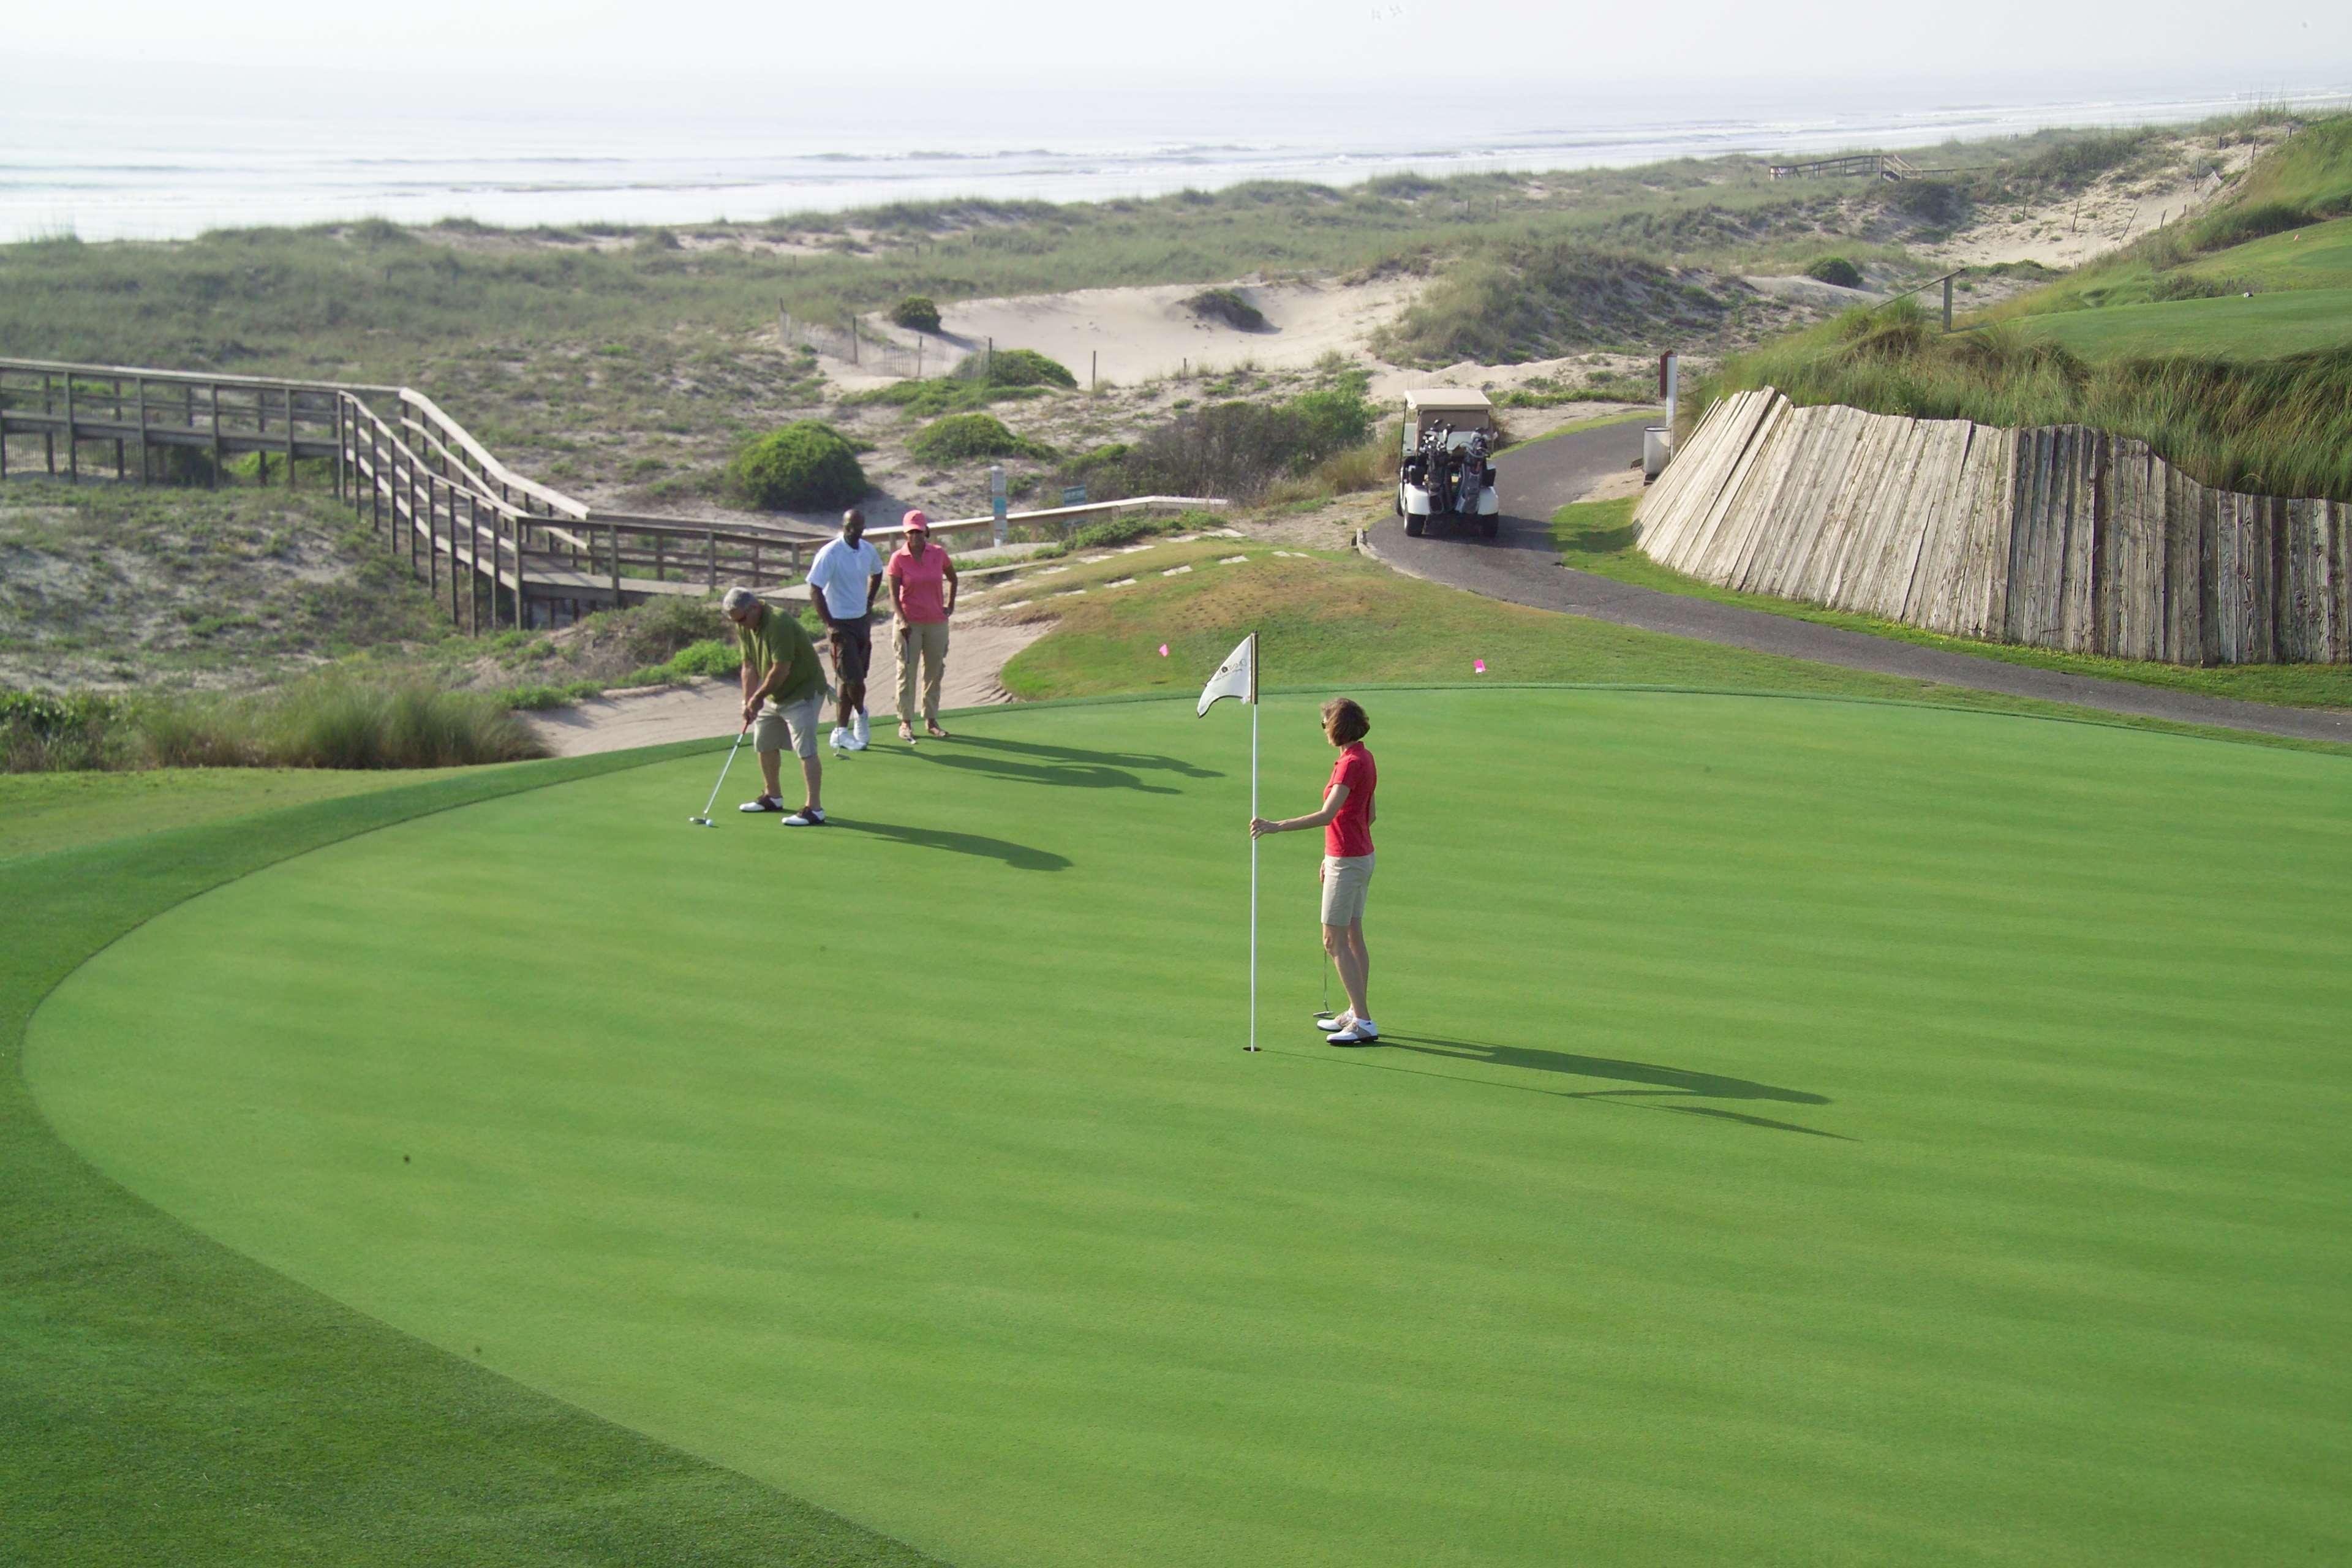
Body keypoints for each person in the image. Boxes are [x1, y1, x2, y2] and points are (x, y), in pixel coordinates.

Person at [1251, 698, 1378, 1044]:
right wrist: (1332, 854)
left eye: (1325, 723)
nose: (1323, 729)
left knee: (1332, 940)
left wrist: (1277, 826)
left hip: (1348, 861)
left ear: (1337, 727)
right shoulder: (1363, 758)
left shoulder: (1349, 764)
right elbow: (1370, 815)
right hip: (1359, 856)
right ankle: (1356, 1010)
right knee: (1353, 936)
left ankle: (1364, 1021)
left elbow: (1327, 815)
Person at [722, 586, 828, 827]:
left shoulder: (778, 622)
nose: (740, 625)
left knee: (806, 749)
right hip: (774, 695)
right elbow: (749, 665)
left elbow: (781, 669)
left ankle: (815, 809)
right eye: (735, 621)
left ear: (755, 608)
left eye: (741, 619)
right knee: (765, 741)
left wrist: (758, 697)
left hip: (803, 691)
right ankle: (773, 796)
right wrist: (747, 700)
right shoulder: (745, 626)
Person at [805, 507, 884, 752]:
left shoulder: (867, 550)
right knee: (854, 679)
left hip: (861, 621)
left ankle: (840, 731)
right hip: (840, 624)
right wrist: (830, 624)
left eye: (860, 528)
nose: (856, 533)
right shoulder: (830, 553)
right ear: (844, 527)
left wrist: (869, 601)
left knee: (849, 678)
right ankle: (861, 714)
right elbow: (815, 589)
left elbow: (878, 572)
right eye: (851, 528)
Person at [885, 510, 959, 742]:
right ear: (905, 534)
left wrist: (950, 605)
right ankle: (905, 722)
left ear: (926, 531)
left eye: (918, 531)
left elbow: (953, 578)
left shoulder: (938, 554)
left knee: (934, 671)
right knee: (907, 671)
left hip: (936, 621)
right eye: (910, 532)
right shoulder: (898, 558)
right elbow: (894, 596)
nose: (915, 536)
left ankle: (931, 719)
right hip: (909, 623)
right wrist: (903, 620)